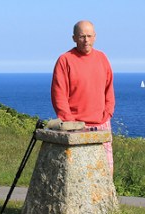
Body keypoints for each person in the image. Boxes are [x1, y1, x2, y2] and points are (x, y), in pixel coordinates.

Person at [51, 20, 116, 173]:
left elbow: (109, 88)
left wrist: (108, 113)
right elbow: (58, 94)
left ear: (95, 37)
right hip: (76, 127)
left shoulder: (102, 58)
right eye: (81, 36)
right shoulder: (65, 60)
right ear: (74, 38)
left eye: (89, 36)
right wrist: (70, 122)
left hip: (102, 125)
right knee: (78, 174)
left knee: (105, 172)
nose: (86, 40)